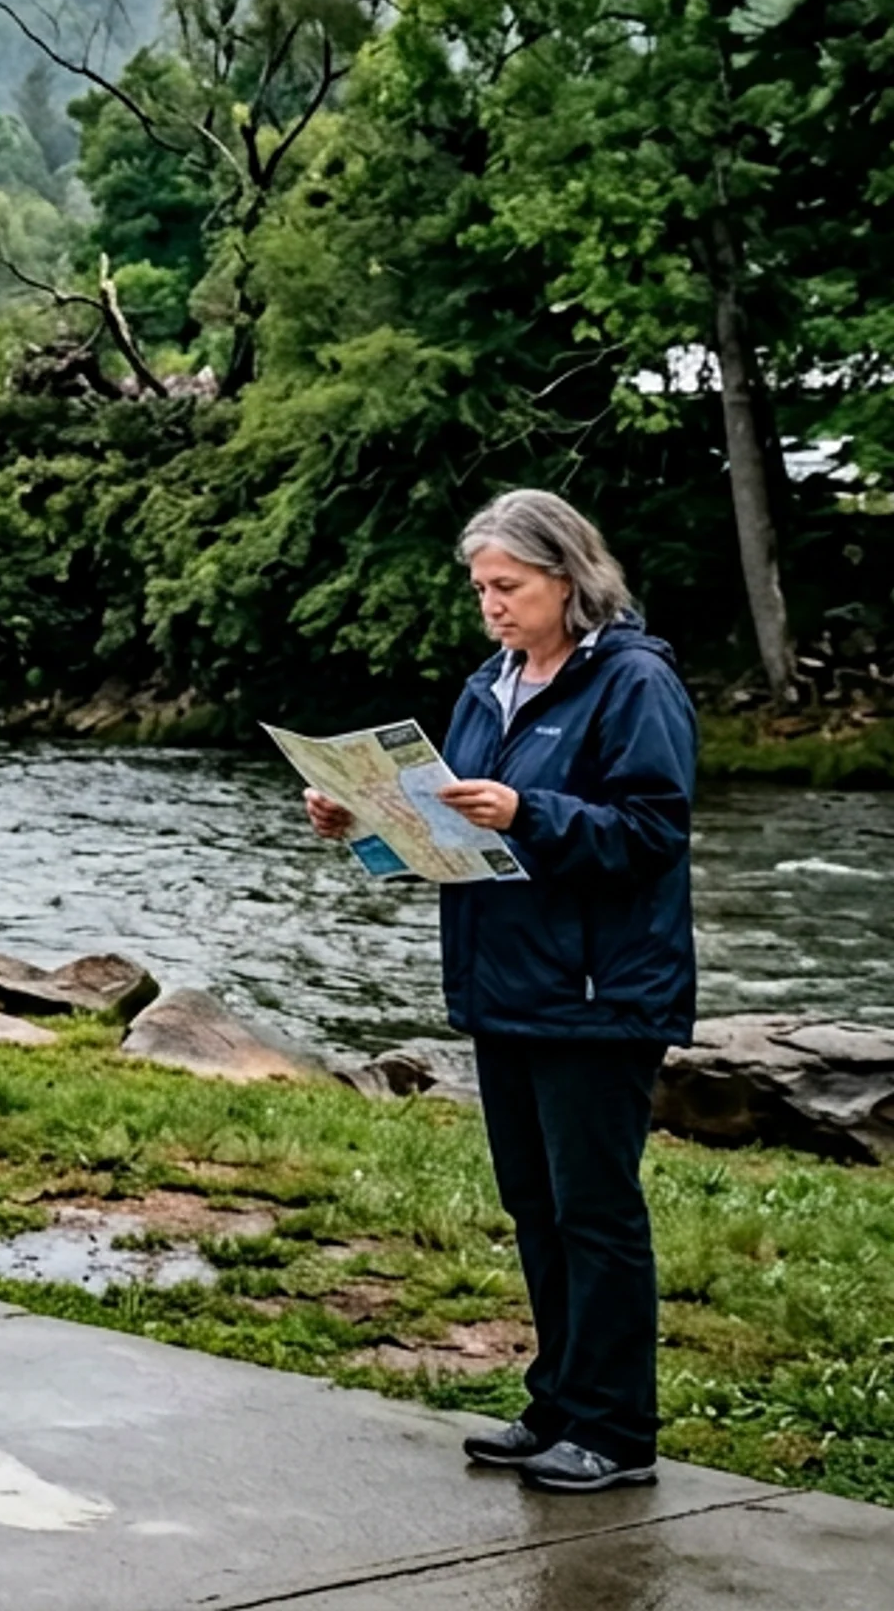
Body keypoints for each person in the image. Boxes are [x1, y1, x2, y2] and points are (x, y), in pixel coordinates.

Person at [302, 489, 696, 1494]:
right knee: (535, 1204)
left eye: (508, 586)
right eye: (480, 587)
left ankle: (615, 1432)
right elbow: (454, 827)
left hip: (598, 989)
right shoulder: (490, 686)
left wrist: (531, 809)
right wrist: (364, 824)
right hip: (504, 980)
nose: (491, 605)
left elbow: (653, 831)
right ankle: (557, 1405)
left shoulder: (635, 683)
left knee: (595, 1211)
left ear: (567, 576)